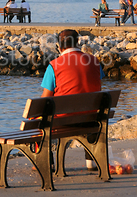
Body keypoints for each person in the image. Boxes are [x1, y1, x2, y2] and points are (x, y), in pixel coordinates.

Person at [41, 29, 105, 171]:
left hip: (64, 121)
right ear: (78, 42)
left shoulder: (54, 65)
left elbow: (45, 100)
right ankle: (90, 161)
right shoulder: (94, 61)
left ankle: (47, 161)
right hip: (92, 118)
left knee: (39, 115)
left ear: (59, 46)